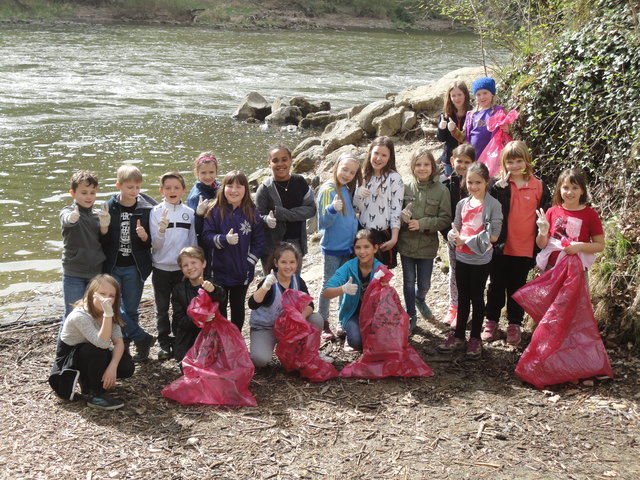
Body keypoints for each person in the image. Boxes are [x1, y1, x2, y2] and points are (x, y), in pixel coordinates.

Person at [481, 141, 551, 345]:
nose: (514, 166)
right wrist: (496, 190)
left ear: (527, 161)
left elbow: (546, 214)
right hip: (500, 247)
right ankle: (491, 321)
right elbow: (487, 210)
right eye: (510, 162)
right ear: (503, 162)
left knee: (517, 288)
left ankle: (514, 324)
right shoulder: (498, 185)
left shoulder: (538, 185)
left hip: (525, 247)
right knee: (495, 286)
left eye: (519, 160)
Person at [438, 162, 502, 359]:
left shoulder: (493, 205)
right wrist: (452, 236)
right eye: (470, 182)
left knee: (476, 296)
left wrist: (466, 240)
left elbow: (494, 236)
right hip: (462, 256)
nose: (474, 187)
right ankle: (458, 336)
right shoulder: (462, 204)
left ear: (486, 182)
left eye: (478, 182)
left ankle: (475, 338)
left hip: (481, 259)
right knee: (463, 296)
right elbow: (455, 227)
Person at [49, 274, 135, 411]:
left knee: (126, 366)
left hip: (92, 354)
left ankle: (91, 381)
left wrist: (112, 367)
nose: (107, 298)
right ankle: (96, 394)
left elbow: (118, 342)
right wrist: (107, 314)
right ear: (92, 294)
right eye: (102, 293)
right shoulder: (79, 316)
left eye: (111, 296)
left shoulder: (109, 312)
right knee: (97, 349)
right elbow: (102, 343)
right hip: (69, 363)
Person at [100, 164, 156, 362]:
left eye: (137, 187)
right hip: (113, 266)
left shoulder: (146, 208)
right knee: (115, 308)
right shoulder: (109, 206)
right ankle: (139, 339)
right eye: (129, 187)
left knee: (131, 310)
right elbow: (103, 242)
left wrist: (144, 237)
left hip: (135, 266)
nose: (134, 191)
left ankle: (132, 349)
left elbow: (151, 242)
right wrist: (104, 228)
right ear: (119, 185)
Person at [249, 242, 333, 367]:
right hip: (266, 328)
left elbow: (310, 304)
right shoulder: (269, 281)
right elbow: (252, 304)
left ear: (297, 263)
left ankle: (310, 352)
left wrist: (300, 317)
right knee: (261, 360)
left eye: (292, 262)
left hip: (289, 328)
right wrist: (265, 287)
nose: (288, 266)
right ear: (276, 263)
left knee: (316, 318)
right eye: (283, 262)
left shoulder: (297, 280)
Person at [202, 170, 265, 332]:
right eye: (230, 185)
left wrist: (249, 263)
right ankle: (223, 339)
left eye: (239, 186)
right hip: (218, 270)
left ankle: (236, 338)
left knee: (238, 307)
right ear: (223, 188)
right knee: (220, 307)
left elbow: (259, 241)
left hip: (242, 271)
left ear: (246, 189)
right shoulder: (214, 210)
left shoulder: (252, 211)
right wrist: (224, 239)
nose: (234, 190)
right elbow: (206, 236)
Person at [398, 148, 451, 332]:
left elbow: (445, 219)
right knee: (408, 281)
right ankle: (411, 313)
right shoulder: (405, 187)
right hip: (406, 244)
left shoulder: (442, 190)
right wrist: (401, 217)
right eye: (418, 165)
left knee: (424, 283)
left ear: (433, 166)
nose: (422, 168)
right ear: (412, 167)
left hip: (428, 247)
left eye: (426, 165)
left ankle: (420, 299)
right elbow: (394, 215)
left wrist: (422, 224)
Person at [150, 172, 197, 360]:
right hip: (161, 267)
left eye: (177, 187)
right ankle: (163, 342)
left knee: (182, 307)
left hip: (181, 270)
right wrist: (161, 230)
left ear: (184, 190)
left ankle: (180, 340)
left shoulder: (189, 213)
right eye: (168, 188)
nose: (172, 191)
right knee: (161, 308)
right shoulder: (155, 212)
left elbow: (192, 240)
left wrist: (193, 266)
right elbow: (155, 245)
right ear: (161, 190)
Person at [316, 152, 362, 340]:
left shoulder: (345, 188)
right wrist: (331, 209)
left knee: (345, 284)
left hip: (347, 247)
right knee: (329, 283)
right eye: (345, 169)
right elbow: (323, 223)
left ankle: (341, 320)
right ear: (336, 167)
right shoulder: (328, 189)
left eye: (352, 172)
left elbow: (348, 216)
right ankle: (323, 321)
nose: (347, 174)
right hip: (333, 248)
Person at [256, 144, 316, 274]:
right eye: (275, 160)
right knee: (273, 287)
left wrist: (282, 214)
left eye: (284, 159)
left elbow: (311, 209)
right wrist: (267, 219)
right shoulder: (265, 188)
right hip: (272, 246)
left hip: (296, 243)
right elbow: (257, 219)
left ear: (291, 160)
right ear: (269, 163)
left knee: (294, 285)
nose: (280, 164)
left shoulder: (299, 181)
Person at [322, 229, 383, 352]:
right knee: (356, 342)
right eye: (358, 247)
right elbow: (326, 292)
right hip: (352, 313)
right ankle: (348, 333)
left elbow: (388, 299)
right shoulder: (349, 267)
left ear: (375, 248)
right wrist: (343, 289)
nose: (362, 252)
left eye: (366, 247)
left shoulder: (380, 269)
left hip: (374, 314)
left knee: (381, 341)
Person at [535, 167, 604, 271]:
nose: (570, 192)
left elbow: (600, 245)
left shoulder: (591, 215)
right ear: (559, 189)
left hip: (577, 271)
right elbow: (541, 245)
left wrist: (579, 246)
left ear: (582, 191)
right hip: (551, 269)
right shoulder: (552, 211)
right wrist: (542, 232)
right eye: (565, 188)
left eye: (575, 188)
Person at [60, 170, 107, 322]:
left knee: (95, 313)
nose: (89, 196)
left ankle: (91, 345)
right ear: (72, 193)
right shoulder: (67, 211)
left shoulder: (97, 216)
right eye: (84, 192)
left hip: (95, 272)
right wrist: (72, 218)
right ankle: (64, 346)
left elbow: (104, 240)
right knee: (73, 315)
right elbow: (66, 220)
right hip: (74, 273)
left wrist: (105, 226)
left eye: (92, 192)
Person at [352, 136, 404, 268]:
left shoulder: (394, 178)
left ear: (390, 157)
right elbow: (356, 209)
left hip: (383, 234)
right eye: (376, 153)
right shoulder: (363, 176)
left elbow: (396, 210)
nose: (378, 158)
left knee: (381, 277)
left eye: (384, 155)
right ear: (370, 153)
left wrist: (394, 238)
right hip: (362, 233)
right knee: (362, 274)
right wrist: (358, 194)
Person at [170, 246, 226, 366]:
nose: (190, 267)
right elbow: (178, 320)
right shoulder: (178, 290)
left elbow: (221, 296)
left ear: (204, 263)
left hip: (212, 336)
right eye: (185, 265)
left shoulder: (213, 283)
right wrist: (198, 318)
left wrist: (213, 290)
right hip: (188, 337)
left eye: (193, 262)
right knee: (189, 368)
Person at [441, 144, 476, 327]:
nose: (462, 165)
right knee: (454, 273)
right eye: (459, 161)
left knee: (469, 275)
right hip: (453, 239)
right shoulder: (446, 184)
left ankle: (465, 308)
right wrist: (448, 233)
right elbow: (443, 212)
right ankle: (453, 306)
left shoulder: (479, 184)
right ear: (452, 161)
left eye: (467, 162)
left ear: (474, 163)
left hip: (472, 240)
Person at [464, 77, 505, 160]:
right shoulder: (472, 115)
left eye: (485, 93)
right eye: (478, 94)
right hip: (475, 154)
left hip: (493, 155)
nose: (482, 97)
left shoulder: (498, 112)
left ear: (492, 94)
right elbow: (467, 136)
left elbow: (505, 133)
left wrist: (506, 129)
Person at [437, 81, 471, 176]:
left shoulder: (473, 113)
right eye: (453, 96)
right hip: (449, 158)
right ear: (450, 98)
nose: (457, 98)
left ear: (465, 95)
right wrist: (441, 128)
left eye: (459, 94)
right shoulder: (446, 115)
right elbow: (441, 138)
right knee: (451, 185)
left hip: (468, 158)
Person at [186, 152, 221, 245]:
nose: (208, 176)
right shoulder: (196, 197)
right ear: (197, 173)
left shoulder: (219, 186)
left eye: (211, 172)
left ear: (217, 171)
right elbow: (194, 228)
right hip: (204, 242)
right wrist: (198, 214)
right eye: (203, 173)